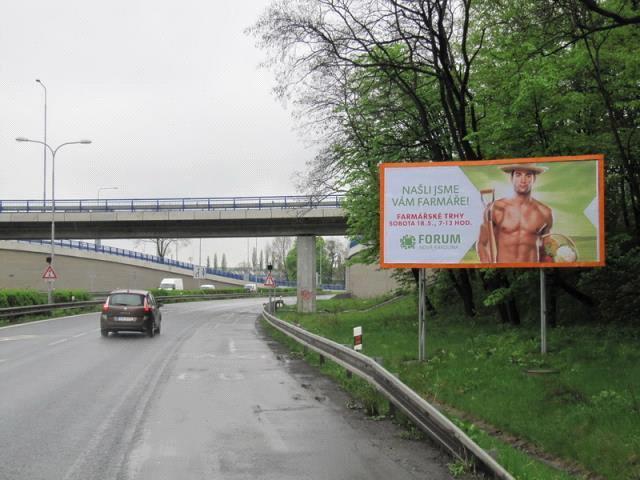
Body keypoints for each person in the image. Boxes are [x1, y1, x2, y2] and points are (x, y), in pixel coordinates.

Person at [477, 163, 553, 263]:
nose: (523, 180)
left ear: (534, 179)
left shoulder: (544, 212)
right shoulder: (495, 208)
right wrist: (488, 265)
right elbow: (482, 244)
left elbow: (546, 251)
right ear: (511, 178)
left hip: (532, 269)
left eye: (528, 175)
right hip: (503, 270)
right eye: (518, 175)